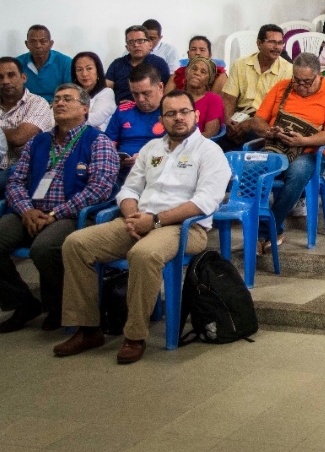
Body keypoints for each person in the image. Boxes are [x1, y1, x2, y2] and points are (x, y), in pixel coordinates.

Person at [54, 90, 230, 364]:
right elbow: (128, 190)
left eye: (184, 111)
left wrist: (156, 221)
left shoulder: (210, 152)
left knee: (143, 254)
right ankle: (88, 329)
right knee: (76, 244)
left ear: (196, 115)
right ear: (162, 119)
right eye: (170, 114)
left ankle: (134, 336)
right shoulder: (151, 149)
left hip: (185, 228)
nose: (178, 118)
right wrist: (133, 216)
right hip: (140, 221)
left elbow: (205, 202)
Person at [0, 84, 119, 333]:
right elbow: (15, 180)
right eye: (56, 99)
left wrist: (55, 214)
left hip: (73, 215)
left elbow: (99, 190)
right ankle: (23, 302)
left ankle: (58, 307)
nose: (60, 103)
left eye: (68, 99)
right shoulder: (38, 141)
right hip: (31, 212)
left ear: (85, 108)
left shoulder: (98, 141)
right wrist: (26, 211)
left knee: (44, 248)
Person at [247, 53, 325, 249]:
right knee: (250, 171)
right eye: (297, 80)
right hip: (277, 146)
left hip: (310, 152)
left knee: (296, 173)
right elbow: (258, 120)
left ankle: (264, 231)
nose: (301, 86)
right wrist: (269, 131)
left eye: (307, 82)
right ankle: (272, 228)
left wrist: (304, 140)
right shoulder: (282, 87)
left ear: (318, 76)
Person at [220, 24, 293, 151]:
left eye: (280, 43)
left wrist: (250, 124)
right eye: (272, 42)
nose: (277, 47)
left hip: (265, 123)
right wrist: (229, 123)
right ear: (259, 43)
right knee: (218, 150)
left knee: (245, 151)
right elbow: (228, 98)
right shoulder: (240, 64)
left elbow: (280, 108)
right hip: (239, 118)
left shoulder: (287, 70)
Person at [0, 57, 54, 194]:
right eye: (0, 77)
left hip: (20, 171)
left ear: (23, 77)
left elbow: (19, 138)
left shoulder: (37, 103)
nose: (5, 81)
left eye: (11, 75)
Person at [105, 63, 165, 171]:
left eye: (146, 93)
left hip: (159, 170)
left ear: (160, 87)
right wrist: (114, 158)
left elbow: (181, 149)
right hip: (123, 173)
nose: (140, 99)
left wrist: (145, 158)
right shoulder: (122, 111)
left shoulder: (173, 112)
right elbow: (108, 145)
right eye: (135, 94)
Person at [105, 25, 171, 104]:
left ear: (150, 44)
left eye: (140, 41)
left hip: (150, 108)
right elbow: (106, 90)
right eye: (131, 42)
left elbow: (165, 93)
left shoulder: (159, 64)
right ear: (127, 47)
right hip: (121, 109)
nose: (136, 45)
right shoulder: (117, 64)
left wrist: (136, 105)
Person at [16, 25, 72, 103]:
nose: (38, 46)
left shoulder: (65, 62)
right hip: (26, 106)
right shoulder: (17, 64)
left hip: (56, 106)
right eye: (33, 42)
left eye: (43, 41)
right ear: (27, 44)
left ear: (51, 44)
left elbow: (70, 92)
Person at [71, 52, 116, 131]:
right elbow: (53, 117)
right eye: (79, 70)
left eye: (89, 68)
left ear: (98, 71)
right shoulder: (70, 93)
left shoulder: (106, 93)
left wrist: (66, 117)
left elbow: (95, 120)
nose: (84, 74)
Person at [183, 57, 224, 139]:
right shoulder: (176, 97)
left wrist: (185, 143)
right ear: (187, 72)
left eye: (203, 72)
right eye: (194, 69)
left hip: (200, 146)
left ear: (209, 79)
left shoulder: (213, 100)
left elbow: (211, 133)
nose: (197, 73)